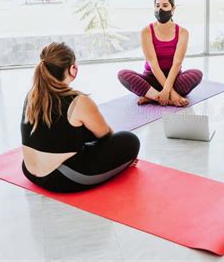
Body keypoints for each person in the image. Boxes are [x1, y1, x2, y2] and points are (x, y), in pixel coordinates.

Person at [21, 42, 140, 193]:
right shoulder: (79, 101)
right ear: (72, 69)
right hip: (62, 179)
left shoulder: (33, 94)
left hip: (29, 171)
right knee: (129, 140)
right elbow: (106, 136)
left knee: (75, 130)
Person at [118, 0, 203, 107]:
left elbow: (177, 63)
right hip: (151, 78)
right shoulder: (146, 31)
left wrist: (167, 89)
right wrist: (172, 94)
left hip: (174, 79)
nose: (160, 9)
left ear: (173, 9)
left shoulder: (183, 32)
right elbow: (153, 64)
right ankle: (165, 98)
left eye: (165, 5)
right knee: (123, 74)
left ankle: (152, 96)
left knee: (196, 74)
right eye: (157, 6)